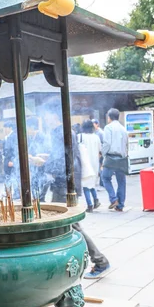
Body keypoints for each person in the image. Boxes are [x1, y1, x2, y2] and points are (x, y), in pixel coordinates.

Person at [37, 103, 110, 279]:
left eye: (46, 116)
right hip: (66, 182)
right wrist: (47, 159)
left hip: (64, 183)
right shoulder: (66, 131)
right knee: (68, 225)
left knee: (71, 225)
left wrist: (41, 163)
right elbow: (62, 155)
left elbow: (60, 161)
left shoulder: (60, 132)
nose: (45, 119)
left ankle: (100, 260)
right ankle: (75, 261)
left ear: (53, 116)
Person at [102, 108, 129, 212]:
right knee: (121, 181)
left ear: (109, 117)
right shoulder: (123, 128)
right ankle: (120, 205)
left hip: (110, 157)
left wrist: (103, 154)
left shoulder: (108, 128)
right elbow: (126, 144)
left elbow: (107, 143)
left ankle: (113, 199)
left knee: (105, 178)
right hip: (122, 158)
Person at [78, 120, 102, 213]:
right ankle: (96, 199)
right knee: (91, 182)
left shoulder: (80, 136)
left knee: (85, 185)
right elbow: (100, 150)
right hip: (95, 163)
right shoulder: (96, 137)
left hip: (85, 163)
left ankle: (90, 204)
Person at [27, 117, 50, 201]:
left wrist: (36, 157)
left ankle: (41, 199)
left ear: (32, 127)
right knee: (34, 185)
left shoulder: (41, 137)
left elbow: (45, 152)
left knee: (40, 184)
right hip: (34, 167)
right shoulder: (31, 137)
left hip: (41, 167)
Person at [3, 121, 20, 198]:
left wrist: (12, 160)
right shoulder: (8, 137)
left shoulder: (13, 136)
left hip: (11, 160)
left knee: (13, 176)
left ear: (10, 128)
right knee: (9, 176)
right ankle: (8, 192)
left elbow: (14, 149)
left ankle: (16, 193)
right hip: (8, 159)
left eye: (5, 128)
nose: (5, 130)